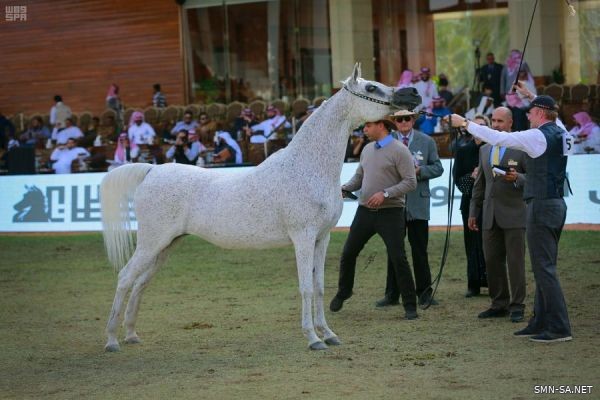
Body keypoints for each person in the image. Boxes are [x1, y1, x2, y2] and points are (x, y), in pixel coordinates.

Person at [449, 95, 573, 343]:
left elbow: (500, 138)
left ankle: (559, 327)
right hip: (556, 203)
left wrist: (465, 123)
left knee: (544, 269)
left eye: (530, 112)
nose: (526, 116)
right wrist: (529, 94)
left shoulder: (538, 136)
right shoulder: (562, 133)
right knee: (543, 267)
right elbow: (557, 122)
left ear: (540, 113)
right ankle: (539, 321)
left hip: (541, 203)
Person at [329, 118, 418, 320]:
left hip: (391, 212)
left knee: (398, 258)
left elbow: (411, 182)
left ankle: (410, 304)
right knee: (348, 253)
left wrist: (385, 193)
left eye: (368, 126)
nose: (365, 129)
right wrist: (344, 188)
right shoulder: (367, 149)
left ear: (382, 126)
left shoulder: (400, 150)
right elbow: (359, 177)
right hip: (365, 211)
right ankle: (344, 291)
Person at [377, 109, 444, 307]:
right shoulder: (385, 143)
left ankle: (424, 293)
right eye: (399, 119)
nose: (404, 122)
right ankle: (392, 294)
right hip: (393, 204)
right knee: (394, 251)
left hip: (418, 204)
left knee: (419, 250)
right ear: (394, 122)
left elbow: (438, 167)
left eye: (407, 118)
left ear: (413, 120)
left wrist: (420, 171)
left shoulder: (427, 141)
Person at [469, 107, 527, 323]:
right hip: (489, 215)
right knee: (492, 261)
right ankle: (499, 303)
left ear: (511, 123)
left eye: (501, 121)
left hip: (515, 214)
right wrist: (474, 212)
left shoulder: (522, 147)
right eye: (493, 120)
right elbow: (479, 185)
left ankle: (518, 305)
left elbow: (533, 179)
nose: (496, 124)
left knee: (515, 262)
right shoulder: (484, 150)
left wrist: (518, 178)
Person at [453, 114, 488, 298]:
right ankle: (473, 284)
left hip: (491, 203)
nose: (480, 129)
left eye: (483, 126)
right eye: (477, 126)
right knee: (471, 244)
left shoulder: (494, 149)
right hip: (469, 203)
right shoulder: (463, 151)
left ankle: (492, 282)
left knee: (491, 243)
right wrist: (473, 178)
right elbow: (458, 180)